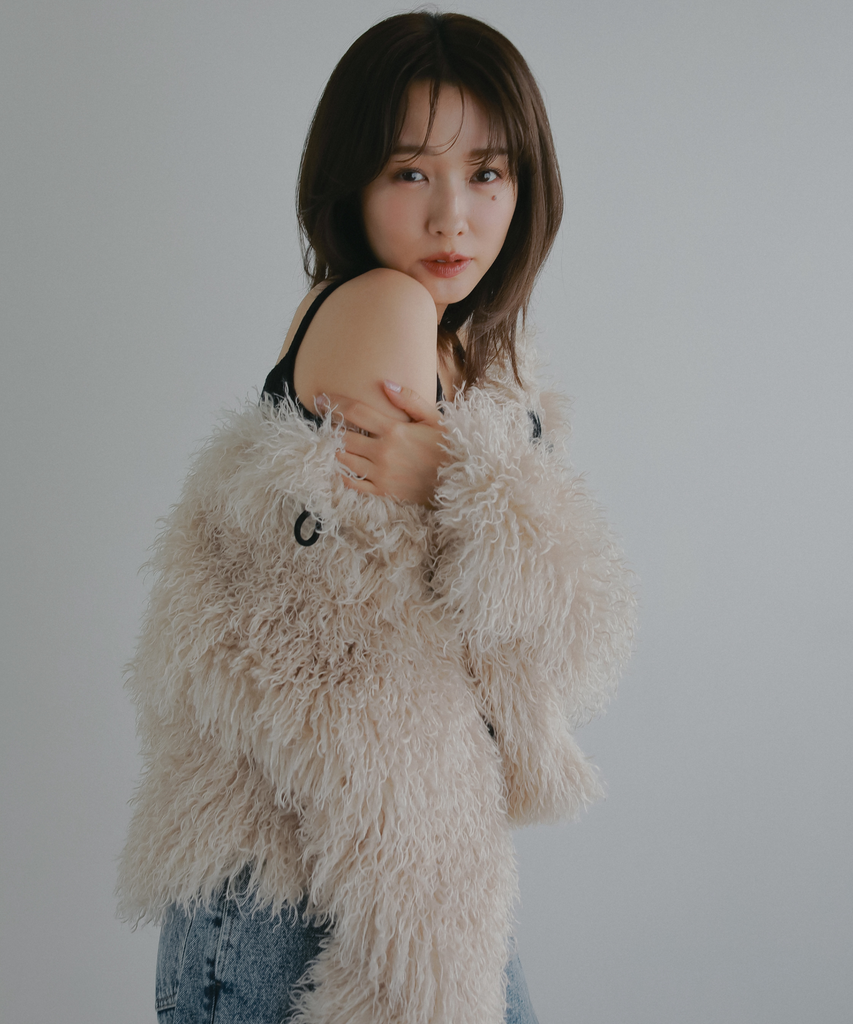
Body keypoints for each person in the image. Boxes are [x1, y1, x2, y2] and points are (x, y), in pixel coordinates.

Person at [117, 12, 636, 1024]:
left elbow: (526, 646)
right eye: (410, 172)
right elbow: (388, 654)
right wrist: (475, 487)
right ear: (349, 183)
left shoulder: (471, 357)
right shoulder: (383, 309)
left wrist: (463, 477)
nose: (453, 217)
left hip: (406, 874)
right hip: (309, 900)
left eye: (486, 173)